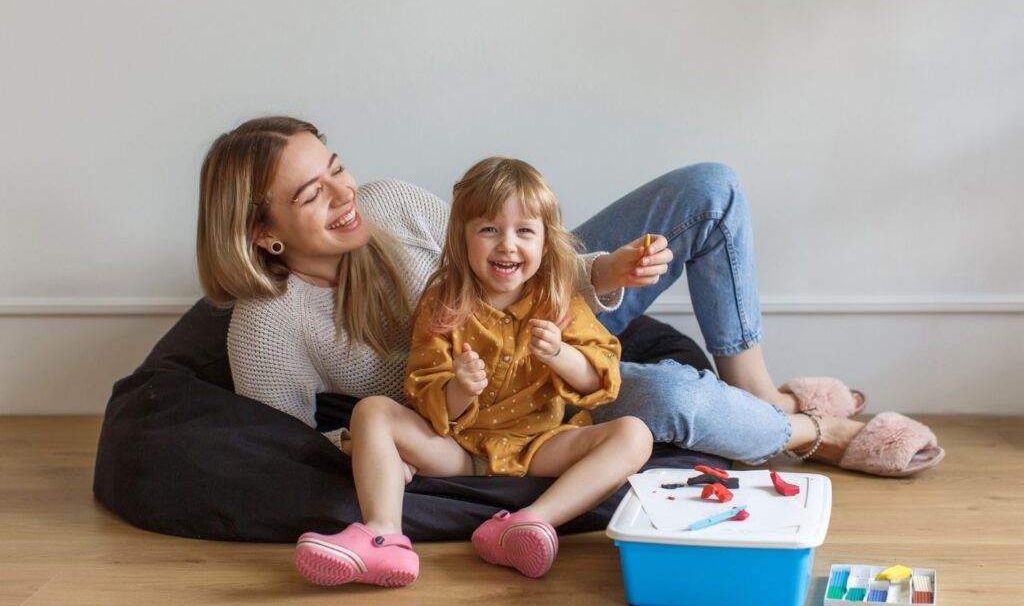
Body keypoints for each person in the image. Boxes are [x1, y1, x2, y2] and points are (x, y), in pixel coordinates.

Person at [196, 115, 943, 573]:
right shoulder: (270, 324)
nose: (344, 193)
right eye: (311, 194)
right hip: (490, 417)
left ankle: (755, 388)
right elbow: (283, 459)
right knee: (669, 402)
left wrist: (605, 273)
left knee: (710, 187)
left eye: (335, 168)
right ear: (262, 233)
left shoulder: (392, 202)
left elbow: (512, 252)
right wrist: (425, 414)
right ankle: (814, 432)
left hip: (556, 323)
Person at [291, 157, 653, 586]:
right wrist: (460, 388)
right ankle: (384, 538)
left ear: (544, 242)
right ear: (461, 239)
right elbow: (422, 389)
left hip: (538, 446)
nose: (507, 245)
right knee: (371, 411)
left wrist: (559, 354)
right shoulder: (443, 301)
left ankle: (530, 523)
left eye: (524, 231)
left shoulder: (557, 299)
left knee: (635, 435)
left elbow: (601, 380)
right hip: (457, 450)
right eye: (489, 230)